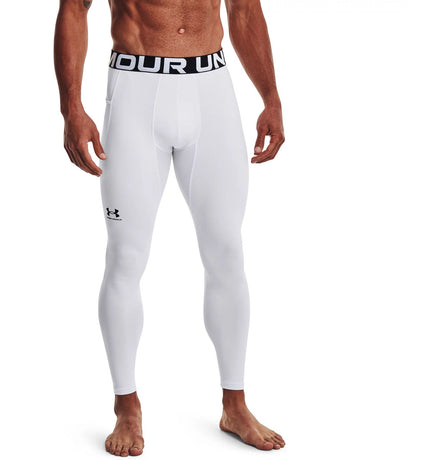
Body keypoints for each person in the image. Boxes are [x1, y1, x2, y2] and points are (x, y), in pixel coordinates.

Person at [54, 0, 285, 456]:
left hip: (212, 89)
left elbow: (244, 10)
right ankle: (126, 406)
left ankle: (235, 405)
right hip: (135, 90)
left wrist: (271, 98)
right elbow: (74, 9)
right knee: (126, 256)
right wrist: (71, 108)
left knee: (227, 253)